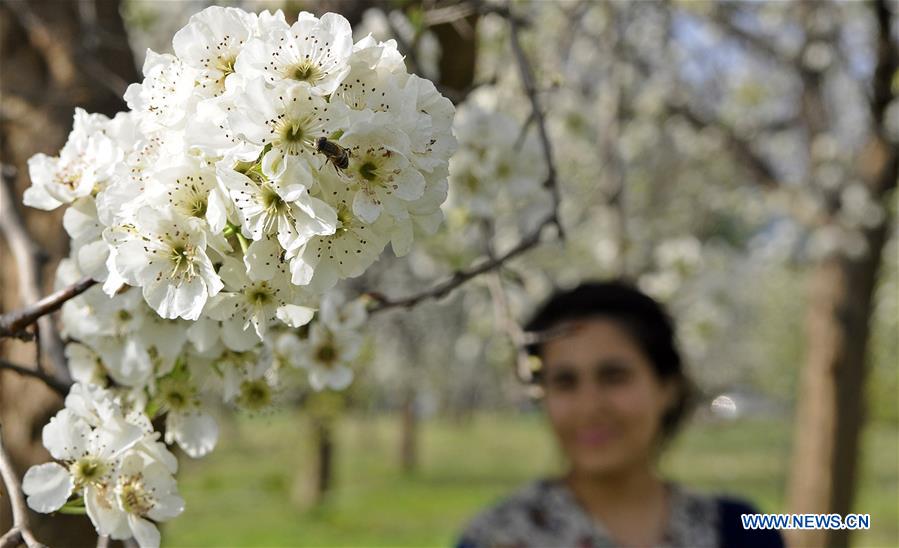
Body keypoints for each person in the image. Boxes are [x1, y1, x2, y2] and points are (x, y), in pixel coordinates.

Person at [455, 281, 785, 548]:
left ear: (667, 387)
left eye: (614, 377)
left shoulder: (738, 532)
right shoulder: (498, 537)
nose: (590, 407)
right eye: (565, 382)